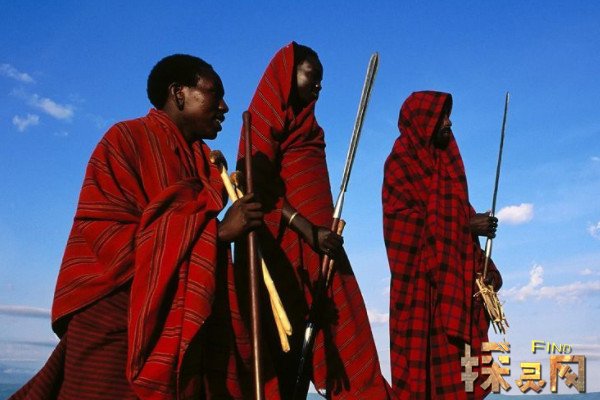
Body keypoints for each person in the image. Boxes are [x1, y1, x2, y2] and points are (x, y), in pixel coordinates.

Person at [11, 54, 263, 399]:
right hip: (116, 314)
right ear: (178, 93)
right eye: (213, 93)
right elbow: (107, 235)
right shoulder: (125, 140)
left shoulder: (204, 165)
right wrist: (216, 234)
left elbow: (181, 234)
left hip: (182, 323)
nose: (224, 106)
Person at [236, 42, 392, 399]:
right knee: (284, 343)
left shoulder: (310, 127)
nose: (319, 85)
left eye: (322, 79)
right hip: (282, 248)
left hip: (321, 245)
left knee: (345, 331)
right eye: (312, 75)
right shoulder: (262, 119)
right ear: (287, 75)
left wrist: (319, 233)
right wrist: (305, 227)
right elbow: (254, 183)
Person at [382, 91, 502, 399]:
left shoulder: (447, 168)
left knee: (461, 380)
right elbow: (404, 231)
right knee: (421, 377)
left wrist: (484, 266)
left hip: (453, 292)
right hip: (419, 293)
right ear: (423, 121)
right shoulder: (400, 165)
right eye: (441, 116)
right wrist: (466, 225)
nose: (449, 122)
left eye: (448, 116)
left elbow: (458, 215)